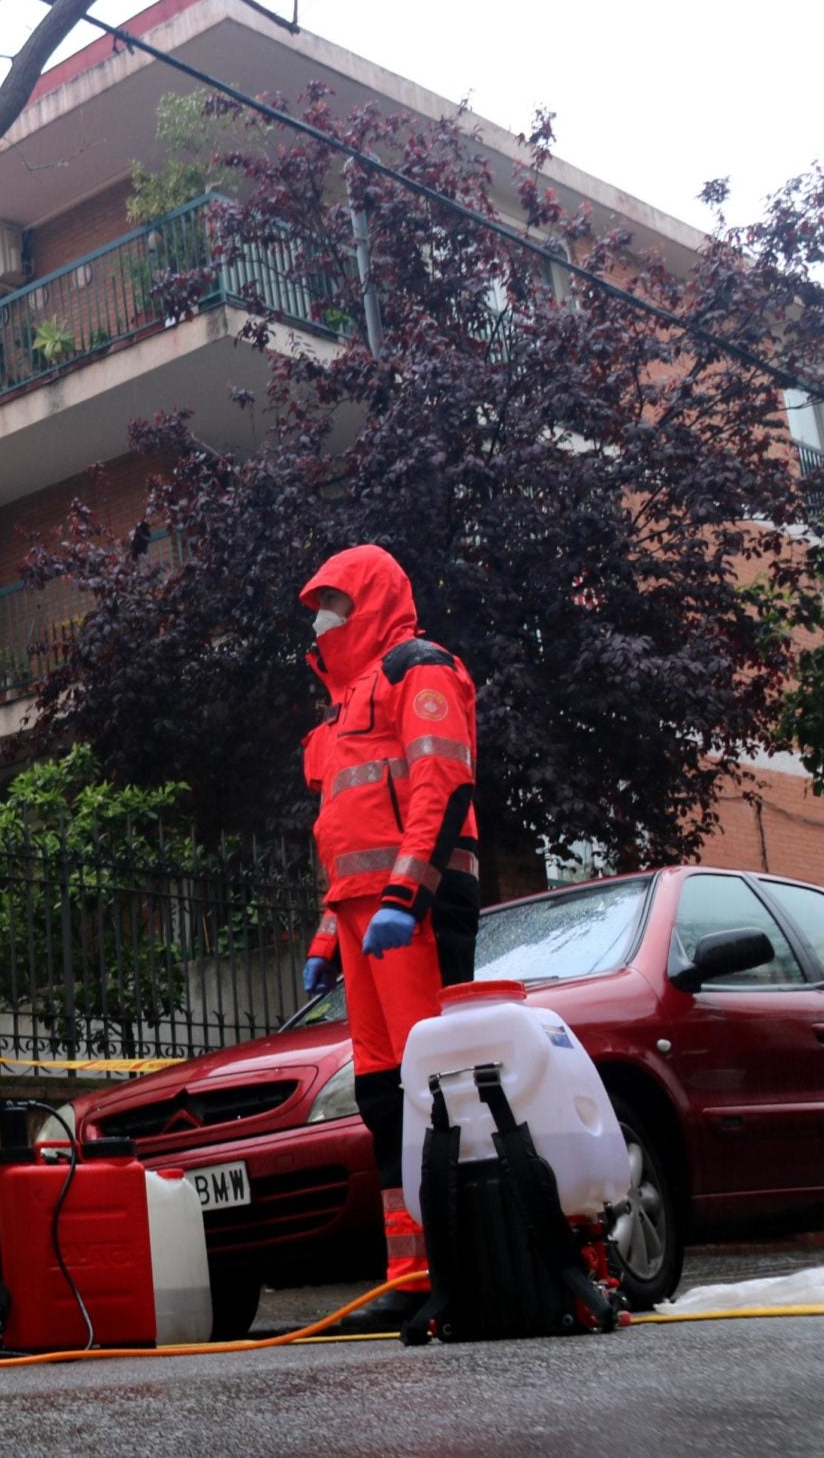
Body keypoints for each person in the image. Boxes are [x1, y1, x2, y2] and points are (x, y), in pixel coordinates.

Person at [296, 543, 480, 1330]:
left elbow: (442, 782)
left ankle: (460, 1261)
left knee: (433, 1085)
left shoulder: (420, 669)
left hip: (416, 907)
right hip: (365, 913)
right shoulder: (339, 712)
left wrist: (409, 895)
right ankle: (409, 1270)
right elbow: (341, 831)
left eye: (334, 601)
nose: (321, 617)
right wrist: (326, 936)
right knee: (383, 1095)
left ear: (368, 599)